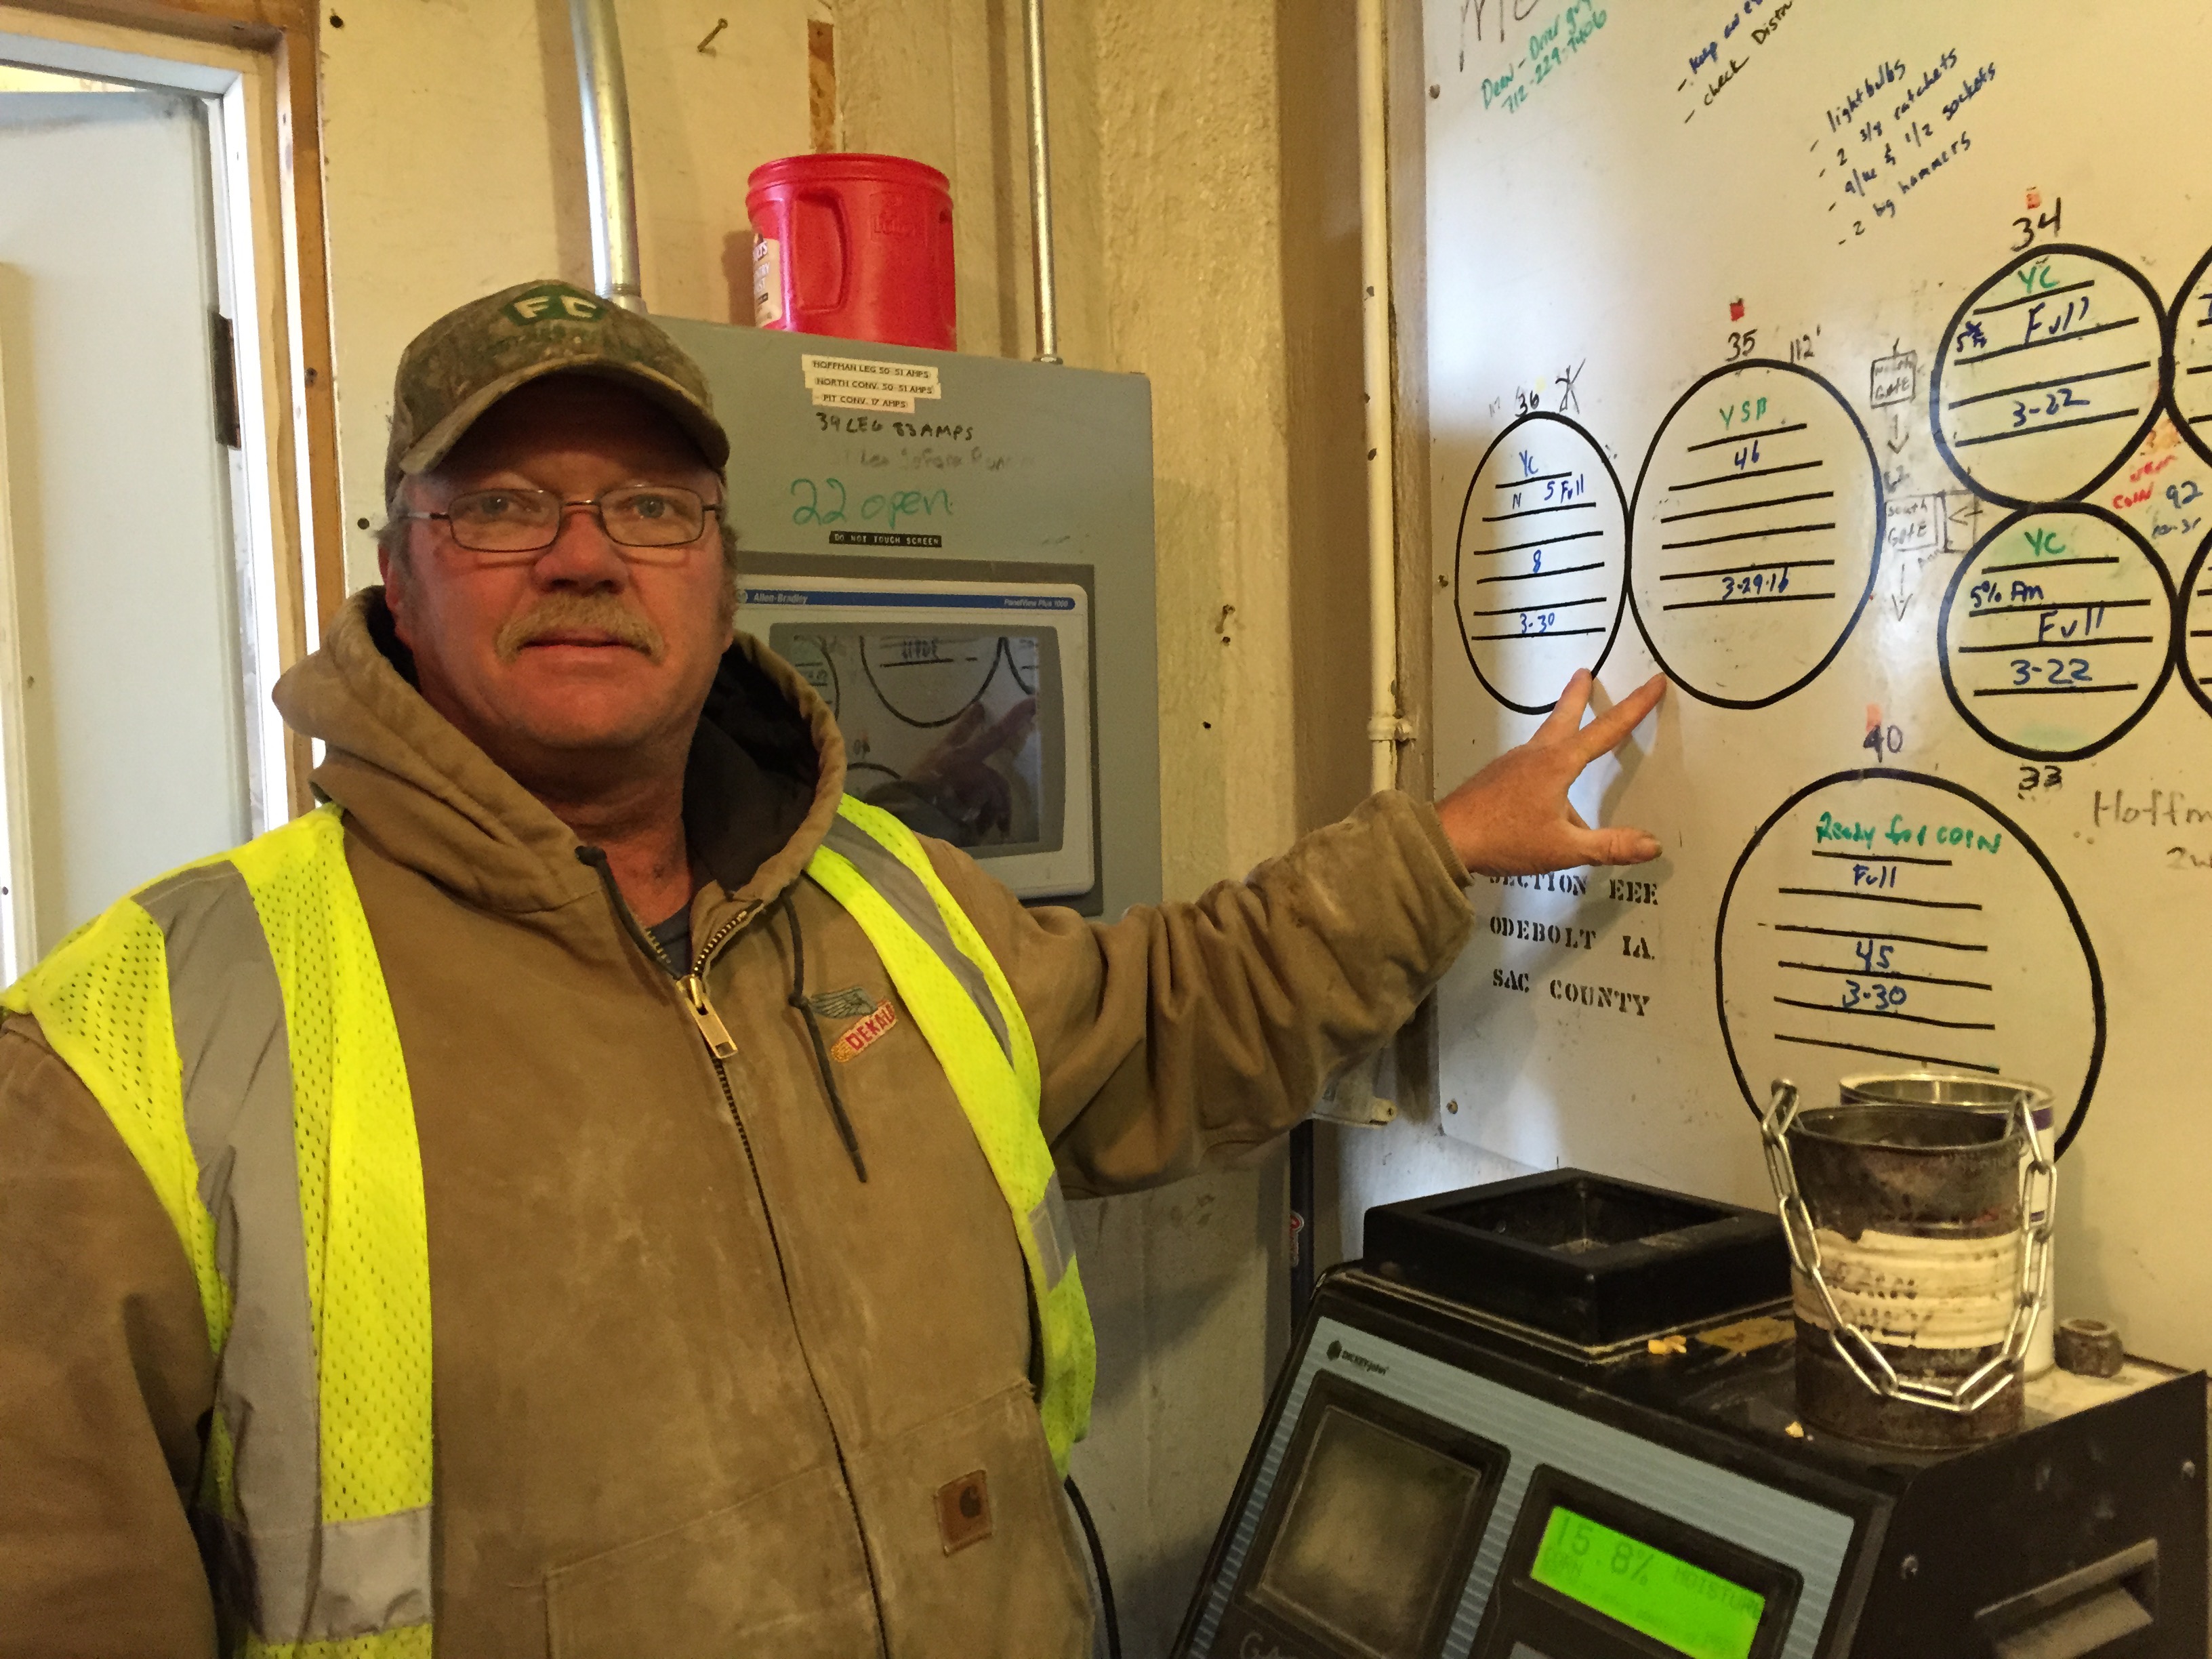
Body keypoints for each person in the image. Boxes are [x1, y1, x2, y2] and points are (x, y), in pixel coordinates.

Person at [0, 280, 1664, 1659]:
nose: (584, 556)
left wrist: (1440, 847)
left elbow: (1171, 1019)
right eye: (502, 505)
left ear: (723, 576)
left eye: (652, 507)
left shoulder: (885, 896)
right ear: (397, 571)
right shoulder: (142, 1041)